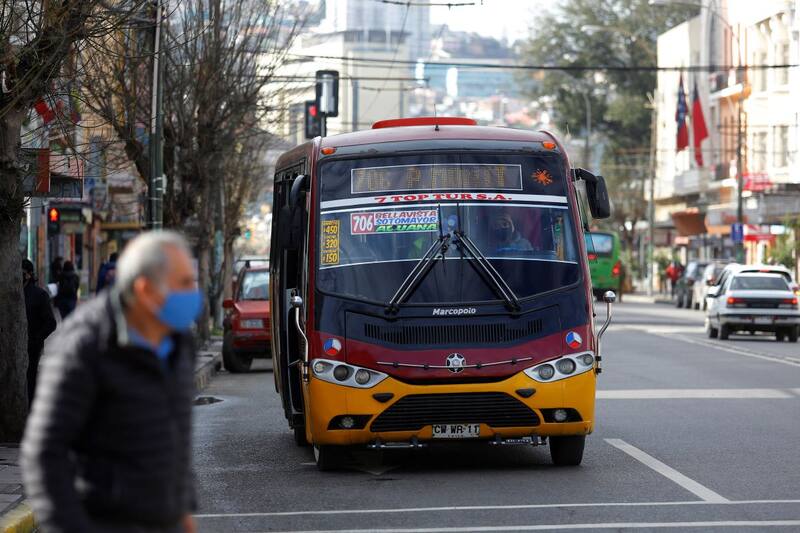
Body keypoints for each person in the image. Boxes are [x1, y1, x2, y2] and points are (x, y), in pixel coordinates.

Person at [22, 231, 201, 533]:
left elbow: (175, 435)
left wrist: (181, 509)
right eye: (183, 283)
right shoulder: (84, 344)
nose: (193, 293)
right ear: (145, 289)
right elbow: (44, 454)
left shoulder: (180, 340)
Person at [22, 259, 57, 406]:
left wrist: (36, 339)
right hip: (14, 345)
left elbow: (51, 323)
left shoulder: (39, 295)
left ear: (29, 275)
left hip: (32, 347)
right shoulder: (10, 293)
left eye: (22, 273)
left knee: (30, 379)